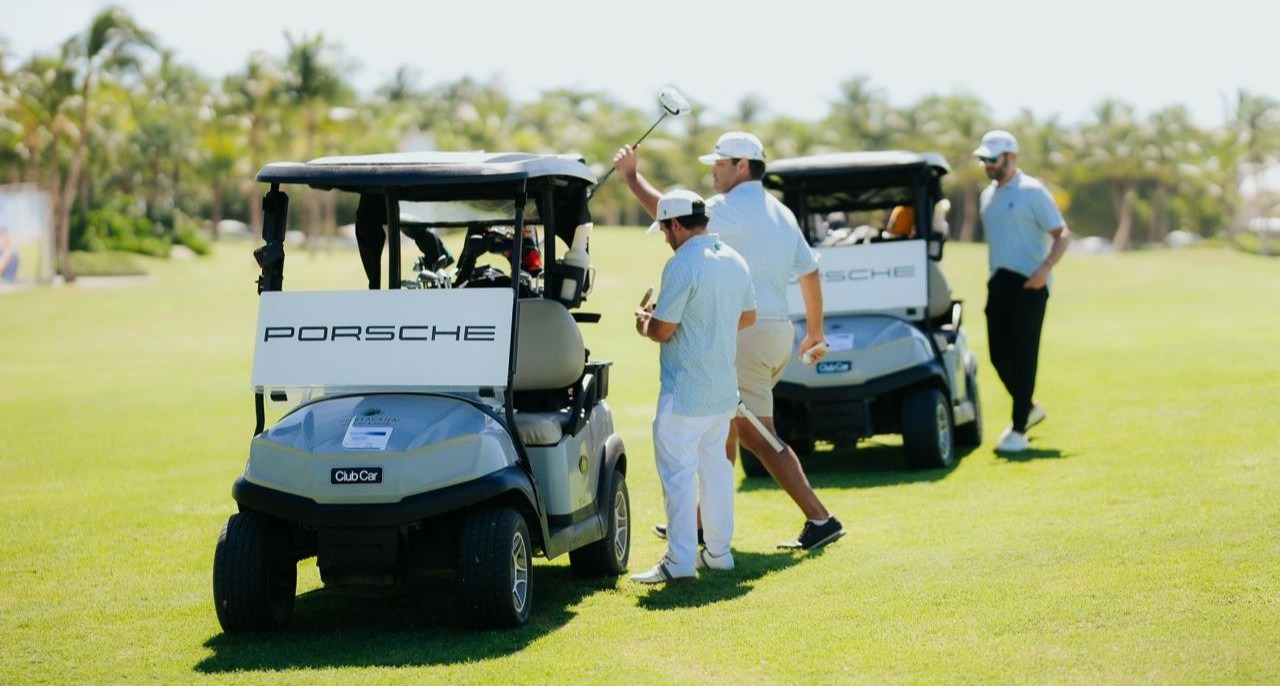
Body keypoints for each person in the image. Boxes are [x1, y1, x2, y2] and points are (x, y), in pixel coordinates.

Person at [614, 131, 846, 551]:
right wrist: (815, 331)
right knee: (728, 427)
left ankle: (821, 518)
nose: (712, 171)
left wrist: (632, 178)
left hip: (747, 334)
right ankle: (702, 523)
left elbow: (672, 216)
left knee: (757, 433)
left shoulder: (723, 210)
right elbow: (809, 271)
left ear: (742, 165)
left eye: (719, 164)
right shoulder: (781, 212)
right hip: (776, 331)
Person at [629, 189, 757, 584]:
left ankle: (680, 560)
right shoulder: (734, 259)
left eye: (666, 228)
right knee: (716, 473)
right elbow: (748, 317)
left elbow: (664, 330)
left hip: (684, 392)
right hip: (721, 391)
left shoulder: (683, 263)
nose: (666, 237)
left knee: (679, 477)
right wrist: (707, 329)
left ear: (678, 224)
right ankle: (718, 553)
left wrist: (644, 322)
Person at [973, 130, 1071, 453]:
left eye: (992, 159)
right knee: (999, 356)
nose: (987, 164)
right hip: (999, 282)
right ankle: (1028, 408)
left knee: (1023, 354)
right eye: (983, 159)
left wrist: (1045, 269)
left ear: (1011, 158)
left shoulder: (1032, 192)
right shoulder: (987, 196)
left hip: (1030, 284)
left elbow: (1061, 235)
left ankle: (1018, 430)